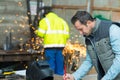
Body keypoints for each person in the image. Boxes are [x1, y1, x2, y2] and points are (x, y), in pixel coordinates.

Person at [63, 11, 120, 80]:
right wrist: (74, 76)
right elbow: (89, 61)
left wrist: (106, 78)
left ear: (89, 22)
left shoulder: (112, 29)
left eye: (81, 29)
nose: (80, 33)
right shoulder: (89, 37)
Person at [35, 7, 70, 75]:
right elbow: (67, 35)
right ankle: (60, 77)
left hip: (49, 46)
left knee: (50, 63)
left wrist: (36, 31)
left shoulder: (44, 20)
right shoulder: (62, 21)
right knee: (59, 62)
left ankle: (51, 76)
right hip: (60, 46)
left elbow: (41, 33)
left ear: (45, 14)